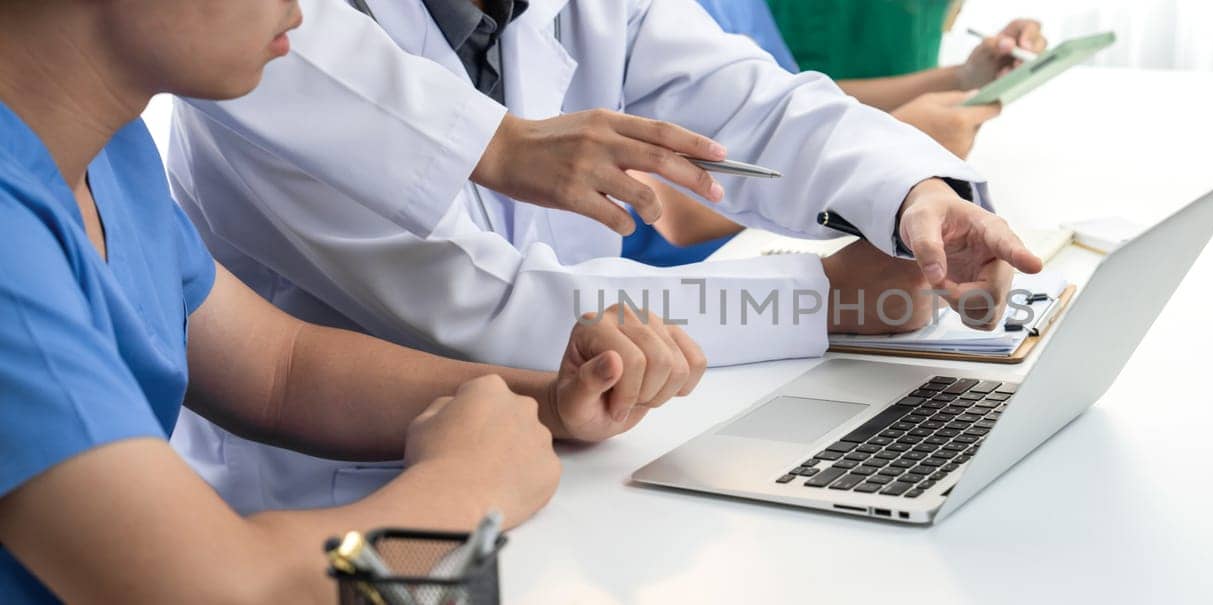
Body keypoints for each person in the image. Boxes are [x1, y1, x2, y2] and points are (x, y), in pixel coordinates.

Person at [166, 0, 1044, 513]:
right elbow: (488, 314)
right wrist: (817, 299)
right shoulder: (267, 41)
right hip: (345, 501)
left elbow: (751, 105)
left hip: (584, 456)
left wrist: (917, 196)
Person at [0, 1, 700, 602]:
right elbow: (226, 590)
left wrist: (547, 402)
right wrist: (467, 494)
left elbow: (280, 370)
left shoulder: (106, 154)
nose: (308, 10)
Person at [624, 0, 1047, 265]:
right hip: (683, 287)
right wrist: (898, 149)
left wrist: (961, 77)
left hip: (766, 251)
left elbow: (784, 104)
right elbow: (680, 215)